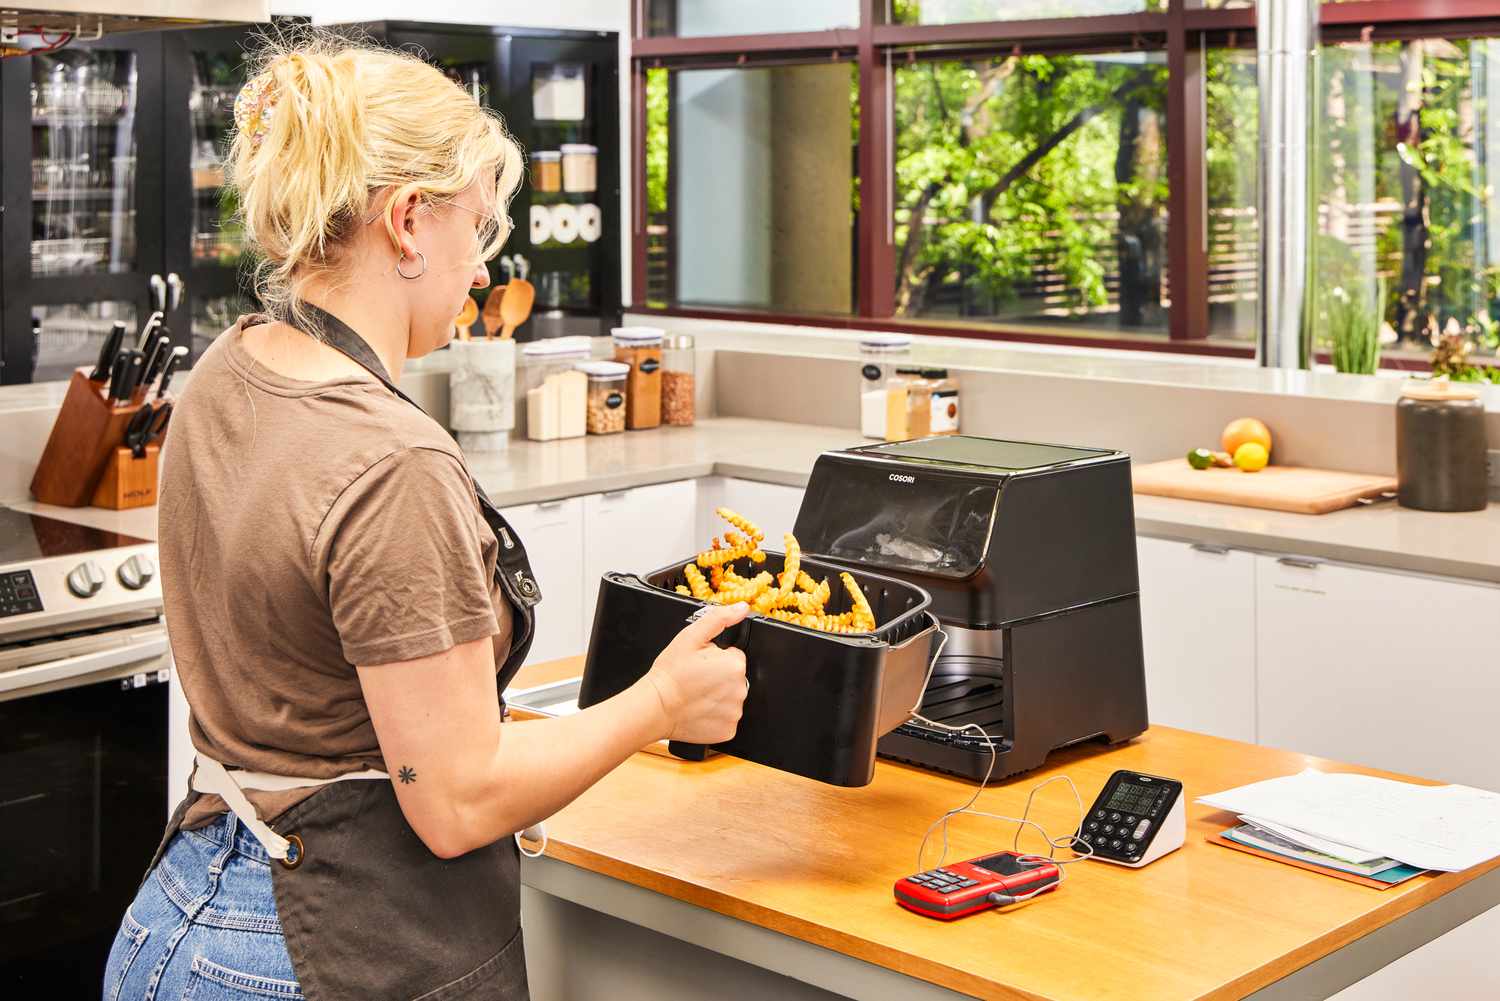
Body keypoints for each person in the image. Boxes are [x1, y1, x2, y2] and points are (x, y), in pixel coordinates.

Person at [103, 30, 748, 1001]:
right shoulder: (393, 462)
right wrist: (660, 704)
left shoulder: (226, 372)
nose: (483, 269)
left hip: (179, 917)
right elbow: (455, 801)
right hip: (319, 948)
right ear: (407, 221)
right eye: (477, 227)